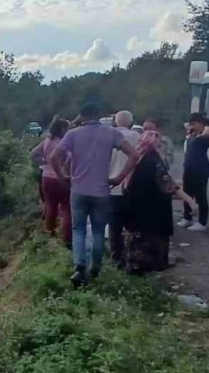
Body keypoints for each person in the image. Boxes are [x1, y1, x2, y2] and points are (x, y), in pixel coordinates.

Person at [50, 101, 138, 287]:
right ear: (98, 114)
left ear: (81, 115)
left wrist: (63, 177)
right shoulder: (111, 133)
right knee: (98, 231)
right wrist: (119, 177)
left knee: (79, 230)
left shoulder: (73, 134)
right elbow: (134, 155)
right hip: (102, 192)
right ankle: (95, 268)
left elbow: (53, 157)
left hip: (79, 190)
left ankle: (79, 266)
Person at [122, 130, 198, 275]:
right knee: (151, 243)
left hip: (136, 208)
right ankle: (149, 271)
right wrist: (190, 201)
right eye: (160, 142)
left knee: (137, 242)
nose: (162, 145)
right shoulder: (154, 160)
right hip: (153, 210)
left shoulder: (139, 157)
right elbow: (169, 185)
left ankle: (135, 270)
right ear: (153, 144)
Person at [30, 118, 73, 246]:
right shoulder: (65, 143)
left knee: (50, 205)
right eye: (67, 127)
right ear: (63, 129)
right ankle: (67, 239)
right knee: (66, 208)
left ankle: (50, 233)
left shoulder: (47, 141)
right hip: (62, 178)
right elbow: (69, 158)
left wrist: (44, 162)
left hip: (47, 178)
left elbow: (32, 155)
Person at [108, 110, 141, 269]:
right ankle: (133, 257)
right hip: (131, 187)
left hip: (111, 187)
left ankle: (116, 259)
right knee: (133, 224)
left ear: (115, 121)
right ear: (131, 122)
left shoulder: (107, 136)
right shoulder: (137, 137)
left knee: (114, 226)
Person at [178, 113, 209, 232]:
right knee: (187, 192)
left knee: (200, 195)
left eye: (194, 124)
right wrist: (190, 127)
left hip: (200, 168)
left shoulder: (206, 135)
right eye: (191, 124)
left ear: (201, 124)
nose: (191, 126)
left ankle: (202, 222)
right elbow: (186, 126)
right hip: (188, 166)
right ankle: (187, 217)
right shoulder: (191, 134)